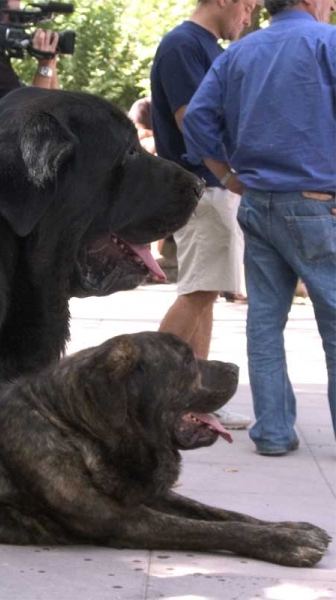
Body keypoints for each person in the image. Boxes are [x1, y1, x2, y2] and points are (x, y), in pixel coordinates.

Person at [183, 0, 336, 455]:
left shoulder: (238, 53)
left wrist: (229, 177)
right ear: (310, 0)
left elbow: (196, 119)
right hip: (315, 204)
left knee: (265, 322)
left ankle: (272, 432)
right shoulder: (327, 42)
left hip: (257, 202)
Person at [150, 0, 256, 430]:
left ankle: (196, 399)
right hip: (202, 184)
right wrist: (227, 173)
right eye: (247, 6)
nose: (248, 17)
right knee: (196, 293)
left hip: (210, 186)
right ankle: (148, 394)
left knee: (205, 291)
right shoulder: (183, 44)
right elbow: (192, 120)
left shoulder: (206, 46)